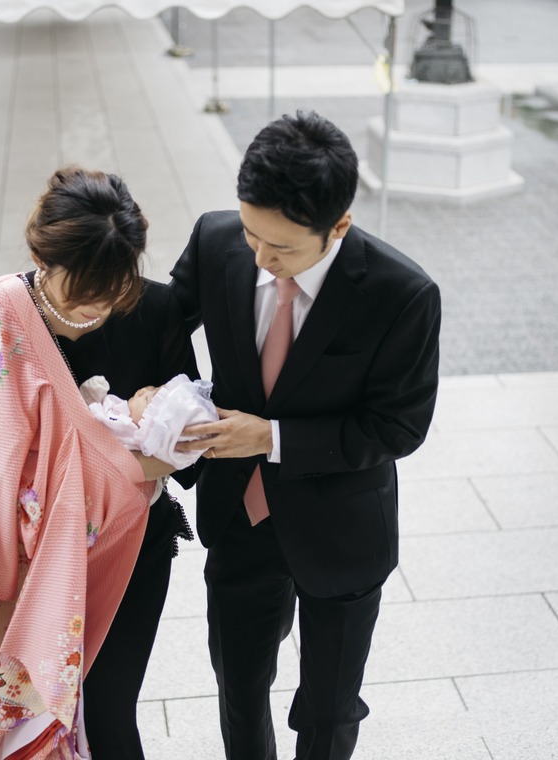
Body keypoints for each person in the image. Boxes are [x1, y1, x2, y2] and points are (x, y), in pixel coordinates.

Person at [0, 166, 199, 760]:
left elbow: (189, 460)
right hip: (17, 568)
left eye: (113, 287)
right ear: (42, 253)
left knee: (108, 712)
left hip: (129, 549)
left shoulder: (156, 308)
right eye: (79, 287)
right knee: (27, 723)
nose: (98, 304)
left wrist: (167, 427)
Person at [168, 111, 442, 760]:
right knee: (238, 687)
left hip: (343, 530)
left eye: (283, 248)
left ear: (339, 226)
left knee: (329, 709)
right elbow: (161, 323)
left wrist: (272, 437)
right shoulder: (216, 241)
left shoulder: (403, 295)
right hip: (240, 518)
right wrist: (171, 401)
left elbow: (398, 426)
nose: (259, 258)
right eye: (250, 234)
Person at [80, 373, 218, 469]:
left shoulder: (129, 435)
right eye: (151, 390)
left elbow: (93, 421)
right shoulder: (124, 413)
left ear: (152, 432)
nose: (142, 391)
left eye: (147, 400)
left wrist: (89, 399)